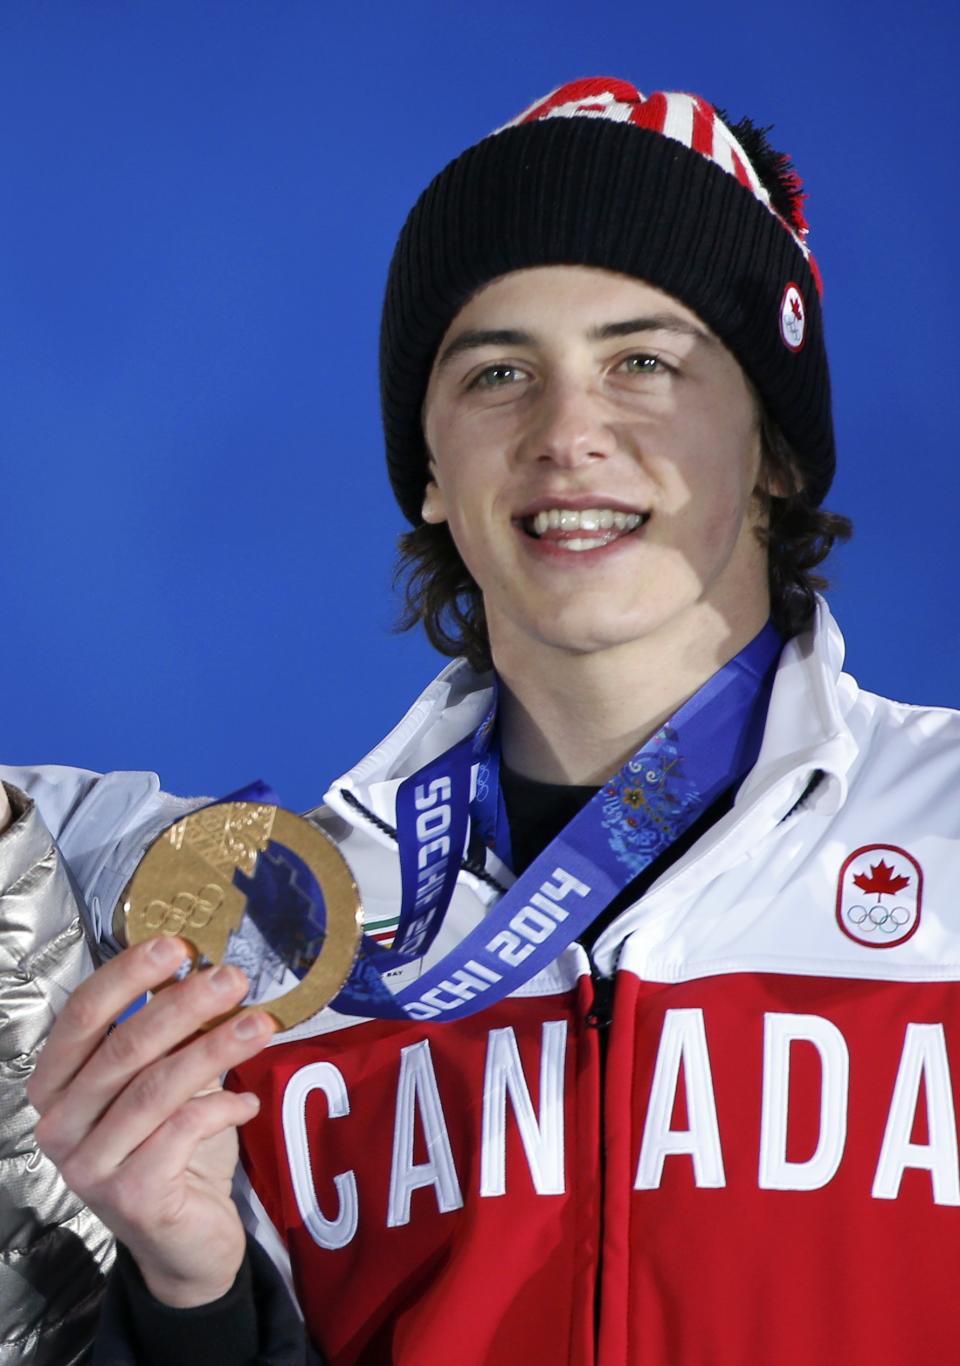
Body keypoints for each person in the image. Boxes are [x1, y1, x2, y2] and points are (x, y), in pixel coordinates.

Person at [5, 75, 959, 1365]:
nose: (570, 433)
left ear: (776, 448)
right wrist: (192, 1306)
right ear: (433, 476)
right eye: (500, 373)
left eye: (645, 362)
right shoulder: (274, 956)